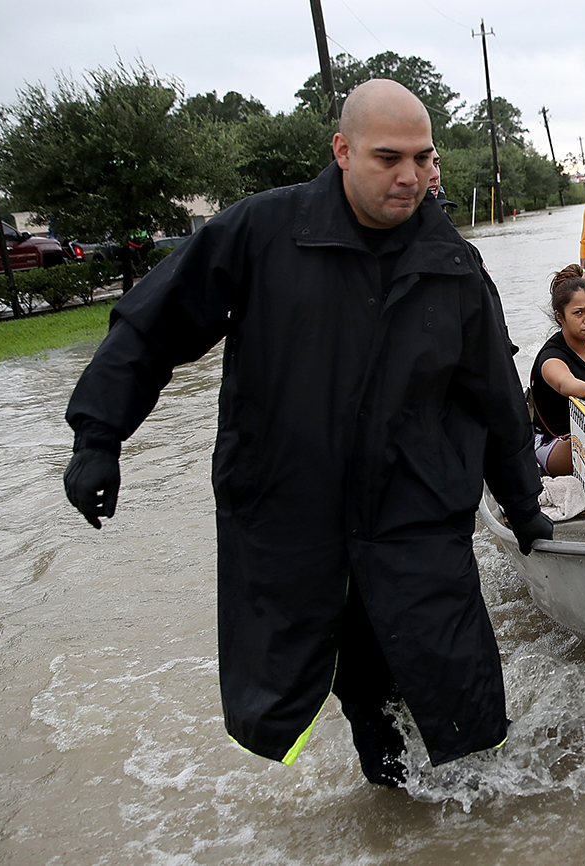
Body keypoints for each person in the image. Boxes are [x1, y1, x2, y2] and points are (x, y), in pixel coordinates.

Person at [60, 79, 554, 786]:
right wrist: (97, 438)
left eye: (422, 156)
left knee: (455, 687)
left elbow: (496, 398)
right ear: (342, 150)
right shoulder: (262, 232)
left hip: (414, 516)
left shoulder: (453, 264)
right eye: (389, 157)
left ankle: (468, 821)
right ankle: (390, 799)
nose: (410, 176)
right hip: (294, 516)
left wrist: (525, 502)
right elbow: (151, 326)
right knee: (345, 681)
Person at [529, 265, 585, 475]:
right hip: (554, 442)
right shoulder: (551, 356)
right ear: (561, 317)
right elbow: (563, 382)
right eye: (578, 313)